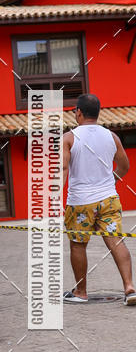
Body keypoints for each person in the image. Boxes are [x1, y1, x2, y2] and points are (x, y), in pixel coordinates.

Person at [62, 93, 136, 305]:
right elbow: (125, 167)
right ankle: (129, 287)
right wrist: (108, 180)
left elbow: (63, 170)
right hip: (109, 198)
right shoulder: (112, 137)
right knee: (116, 240)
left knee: (78, 245)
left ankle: (81, 292)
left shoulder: (69, 138)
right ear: (98, 113)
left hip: (80, 201)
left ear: (79, 112)